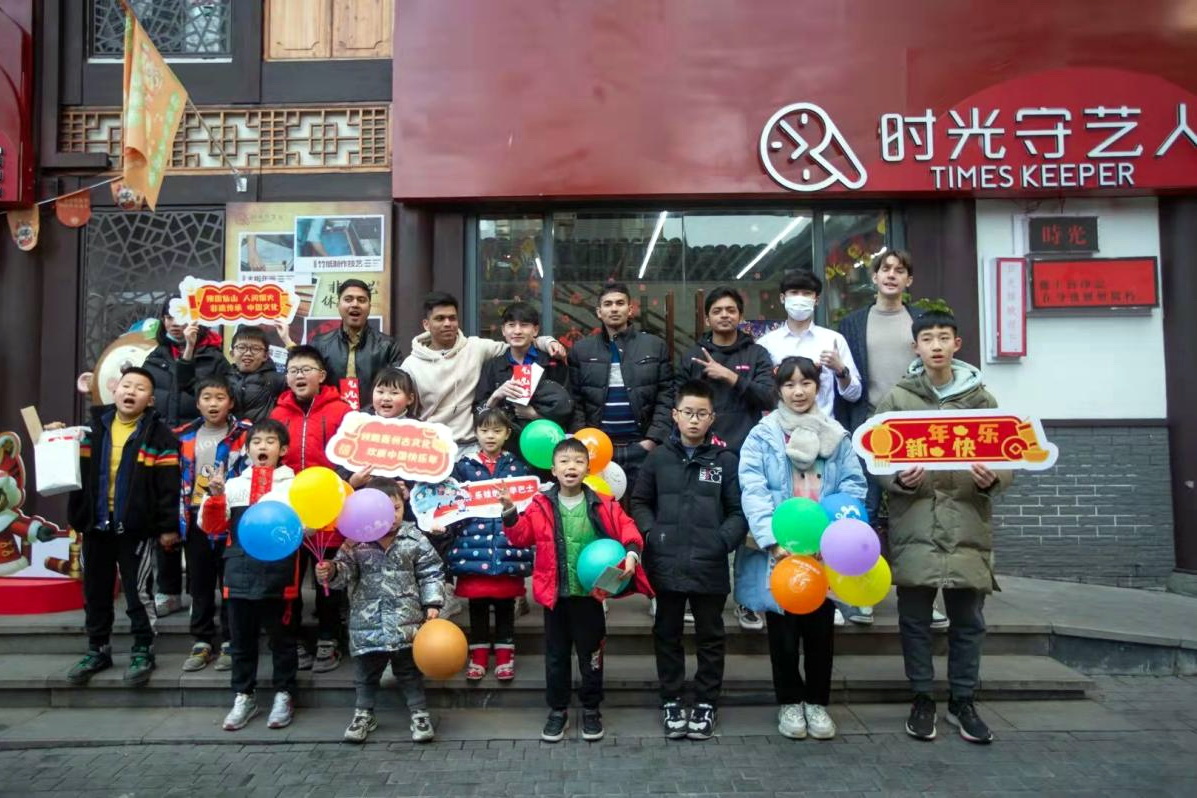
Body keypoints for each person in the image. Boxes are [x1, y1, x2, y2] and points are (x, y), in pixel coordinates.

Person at [875, 312, 1012, 745]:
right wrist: (897, 479)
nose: (936, 345)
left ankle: (962, 700)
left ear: (957, 343)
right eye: (928, 338)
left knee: (968, 620)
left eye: (944, 337)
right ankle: (922, 698)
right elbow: (874, 457)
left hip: (967, 522)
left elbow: (1006, 456)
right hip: (915, 523)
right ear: (915, 347)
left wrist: (993, 479)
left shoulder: (982, 400)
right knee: (914, 619)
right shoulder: (897, 399)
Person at [736, 356, 866, 742]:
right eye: (790, 384)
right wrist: (771, 540)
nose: (798, 392)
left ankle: (817, 702)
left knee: (820, 632)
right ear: (779, 390)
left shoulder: (836, 435)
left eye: (806, 383)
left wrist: (836, 537)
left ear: (817, 387)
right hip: (782, 551)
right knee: (783, 632)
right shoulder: (763, 435)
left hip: (824, 550)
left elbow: (853, 486)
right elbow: (753, 488)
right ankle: (790, 702)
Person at [499, 438, 651, 743]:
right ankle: (558, 710)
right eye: (565, 461)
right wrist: (510, 513)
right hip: (555, 597)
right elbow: (521, 537)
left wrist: (632, 554)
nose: (571, 467)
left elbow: (628, 528)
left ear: (588, 468)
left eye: (579, 461)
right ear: (553, 469)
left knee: (591, 655)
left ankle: (591, 709)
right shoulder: (540, 504)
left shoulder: (603, 503)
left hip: (590, 597)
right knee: (556, 657)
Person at [629, 380, 747, 740]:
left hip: (710, 564)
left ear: (712, 418)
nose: (694, 420)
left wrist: (721, 542)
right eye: (688, 413)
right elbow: (640, 502)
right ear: (675, 415)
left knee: (710, 636)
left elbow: (738, 511)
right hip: (665, 562)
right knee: (667, 634)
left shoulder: (725, 461)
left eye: (701, 414)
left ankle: (706, 702)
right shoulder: (658, 458)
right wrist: (651, 534)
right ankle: (672, 699)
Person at [834, 250, 945, 629]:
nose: (892, 275)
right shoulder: (852, 323)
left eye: (900, 270)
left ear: (909, 280)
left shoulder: (922, 321)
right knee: (862, 511)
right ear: (875, 276)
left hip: (916, 430)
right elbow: (845, 382)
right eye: (885, 269)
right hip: (867, 427)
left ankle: (922, 599)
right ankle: (862, 594)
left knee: (917, 517)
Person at [53, 367, 181, 688]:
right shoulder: (92, 429)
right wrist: (56, 434)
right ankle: (98, 649)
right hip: (95, 526)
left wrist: (168, 526)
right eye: (127, 385)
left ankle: (143, 649)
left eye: (140, 388)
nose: (131, 391)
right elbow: (61, 457)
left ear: (150, 400)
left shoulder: (160, 436)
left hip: (135, 529)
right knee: (95, 590)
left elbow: (169, 487)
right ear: (115, 390)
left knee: (138, 593)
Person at [675, 286, 776, 633]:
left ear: (740, 316)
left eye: (731, 310)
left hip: (748, 455)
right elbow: (679, 402)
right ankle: (696, 595)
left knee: (749, 527)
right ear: (707, 317)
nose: (724, 315)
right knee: (701, 524)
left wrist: (731, 377)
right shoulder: (692, 355)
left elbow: (770, 397)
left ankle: (748, 600)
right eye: (717, 310)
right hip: (703, 453)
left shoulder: (757, 353)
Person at [317, 478, 444, 744]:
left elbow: (431, 571)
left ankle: (419, 713)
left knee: (409, 671)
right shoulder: (356, 541)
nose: (393, 515)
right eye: (386, 509)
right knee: (365, 673)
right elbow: (344, 574)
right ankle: (364, 713)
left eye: (397, 508)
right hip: (367, 622)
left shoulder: (413, 537)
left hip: (406, 621)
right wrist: (332, 571)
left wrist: (432, 604)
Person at [199, 419, 301, 732]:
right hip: (238, 570)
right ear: (246, 449)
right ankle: (244, 695)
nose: (262, 447)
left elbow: (308, 527)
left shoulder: (295, 486)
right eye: (256, 442)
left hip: (280, 574)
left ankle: (284, 694)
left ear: (283, 449)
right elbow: (212, 527)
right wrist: (216, 497)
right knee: (241, 640)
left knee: (282, 639)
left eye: (270, 442)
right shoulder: (232, 485)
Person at [142, 296, 233, 617]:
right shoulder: (153, 357)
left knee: (198, 517)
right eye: (169, 317)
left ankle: (198, 592)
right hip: (163, 445)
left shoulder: (214, 357)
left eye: (182, 316)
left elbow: (220, 395)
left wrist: (191, 351)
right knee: (166, 514)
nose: (176, 323)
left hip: (200, 445)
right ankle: (167, 589)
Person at [269, 345, 353, 672]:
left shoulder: (342, 411)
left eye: (306, 369)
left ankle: (329, 639)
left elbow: (352, 454)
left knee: (326, 576)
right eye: (293, 370)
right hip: (289, 508)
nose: (299, 375)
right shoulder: (277, 414)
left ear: (321, 375)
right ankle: (293, 642)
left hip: (328, 505)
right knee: (288, 579)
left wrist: (338, 483)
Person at [402, 292, 566, 456]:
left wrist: (548, 342)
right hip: (430, 447)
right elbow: (403, 411)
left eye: (452, 318)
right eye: (440, 318)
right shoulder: (411, 365)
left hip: (473, 446)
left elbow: (517, 343)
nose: (447, 323)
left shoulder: (476, 348)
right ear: (426, 324)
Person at [443, 409, 533, 682]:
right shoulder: (463, 466)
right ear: (476, 433)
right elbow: (451, 503)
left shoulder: (517, 467)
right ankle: (478, 656)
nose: (490, 436)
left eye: (496, 430)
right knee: (478, 605)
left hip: (508, 547)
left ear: (507, 434)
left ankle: (505, 656)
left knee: (506, 605)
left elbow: (526, 507)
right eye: (484, 430)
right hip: (473, 547)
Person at [174, 377, 251, 672]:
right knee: (200, 581)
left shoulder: (243, 435)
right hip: (196, 516)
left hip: (231, 517)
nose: (213, 403)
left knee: (229, 581)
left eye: (220, 397)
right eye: (207, 398)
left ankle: (231, 640)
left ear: (230, 403)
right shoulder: (184, 435)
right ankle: (202, 640)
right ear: (198, 403)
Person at [567, 282, 674, 488]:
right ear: (599, 312)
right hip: (596, 450)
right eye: (608, 304)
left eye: (620, 303)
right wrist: (583, 441)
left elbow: (667, 395)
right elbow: (575, 400)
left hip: (642, 446)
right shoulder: (581, 350)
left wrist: (653, 440)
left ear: (630, 309)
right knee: (600, 505)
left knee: (642, 504)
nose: (614, 309)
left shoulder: (654, 346)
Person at [756, 271, 861, 419]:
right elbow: (759, 394)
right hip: (780, 429)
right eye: (794, 293)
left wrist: (840, 370)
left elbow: (854, 394)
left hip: (822, 428)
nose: (800, 298)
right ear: (782, 298)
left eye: (806, 294)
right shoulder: (766, 344)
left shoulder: (833, 340)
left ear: (816, 300)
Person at [474, 301, 574, 449]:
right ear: (503, 330)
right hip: (505, 447)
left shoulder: (552, 363)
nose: (517, 331)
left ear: (535, 330)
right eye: (511, 325)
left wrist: (535, 415)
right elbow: (478, 412)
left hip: (547, 444)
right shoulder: (493, 366)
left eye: (524, 325)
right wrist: (496, 396)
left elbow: (568, 406)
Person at [308, 279, 403, 409]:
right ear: (338, 305)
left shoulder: (388, 346)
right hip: (330, 414)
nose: (355, 304)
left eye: (361, 300)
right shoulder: (319, 344)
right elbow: (309, 383)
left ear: (369, 307)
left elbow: (397, 388)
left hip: (372, 416)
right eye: (348, 299)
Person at [226, 325, 286, 424]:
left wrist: (287, 341)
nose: (248, 353)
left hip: (262, 432)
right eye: (242, 347)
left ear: (265, 356)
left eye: (255, 348)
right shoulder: (223, 380)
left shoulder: (276, 380)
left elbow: (300, 372)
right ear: (232, 353)